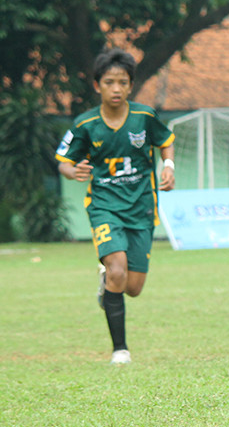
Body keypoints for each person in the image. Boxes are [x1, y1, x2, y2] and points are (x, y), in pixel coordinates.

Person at [55, 48, 176, 365]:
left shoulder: (144, 117)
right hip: (105, 207)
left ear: (131, 84)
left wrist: (169, 167)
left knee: (132, 287)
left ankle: (106, 283)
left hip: (141, 208)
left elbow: (165, 141)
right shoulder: (86, 124)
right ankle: (120, 350)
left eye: (122, 82)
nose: (116, 88)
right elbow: (64, 162)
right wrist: (73, 171)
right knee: (118, 270)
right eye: (109, 82)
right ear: (98, 85)